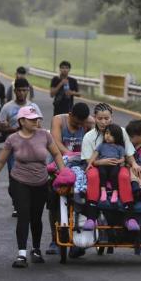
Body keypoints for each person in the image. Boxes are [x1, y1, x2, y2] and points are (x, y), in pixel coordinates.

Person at [0, 106, 66, 268]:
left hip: (41, 182)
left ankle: (36, 249)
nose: (36, 121)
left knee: (36, 217)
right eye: (32, 119)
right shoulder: (12, 139)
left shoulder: (45, 135)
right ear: (22, 121)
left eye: (37, 118)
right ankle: (21, 253)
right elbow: (0, 161)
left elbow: (56, 154)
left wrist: (63, 175)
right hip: (19, 182)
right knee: (23, 216)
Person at [81, 103, 141, 231]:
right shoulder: (88, 137)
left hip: (117, 166)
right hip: (98, 166)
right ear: (94, 117)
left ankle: (130, 217)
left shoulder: (121, 131)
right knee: (92, 176)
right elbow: (89, 160)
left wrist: (134, 164)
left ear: (111, 117)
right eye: (100, 118)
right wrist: (101, 162)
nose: (103, 122)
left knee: (125, 176)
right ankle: (91, 218)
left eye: (106, 118)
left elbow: (129, 153)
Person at [46, 102, 90, 254]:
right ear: (70, 115)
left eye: (81, 123)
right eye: (76, 122)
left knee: (85, 198)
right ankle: (54, 239)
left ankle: (79, 238)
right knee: (54, 203)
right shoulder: (59, 120)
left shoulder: (88, 123)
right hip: (59, 166)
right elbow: (55, 141)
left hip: (80, 168)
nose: (79, 126)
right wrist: (68, 154)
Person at [0, 78, 42, 217]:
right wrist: (9, 128)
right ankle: (17, 203)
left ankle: (24, 203)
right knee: (14, 178)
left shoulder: (33, 107)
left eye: (25, 90)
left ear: (28, 91)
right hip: (13, 149)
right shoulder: (7, 107)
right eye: (19, 90)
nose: (22, 93)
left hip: (30, 148)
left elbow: (39, 125)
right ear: (15, 91)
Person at [86, 124, 126, 204]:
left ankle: (115, 192)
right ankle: (103, 191)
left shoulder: (119, 147)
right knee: (102, 173)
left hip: (114, 165)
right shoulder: (101, 145)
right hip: (103, 164)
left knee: (114, 174)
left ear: (117, 137)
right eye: (107, 133)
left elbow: (123, 158)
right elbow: (95, 154)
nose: (108, 136)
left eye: (111, 135)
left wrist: (119, 161)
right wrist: (90, 163)